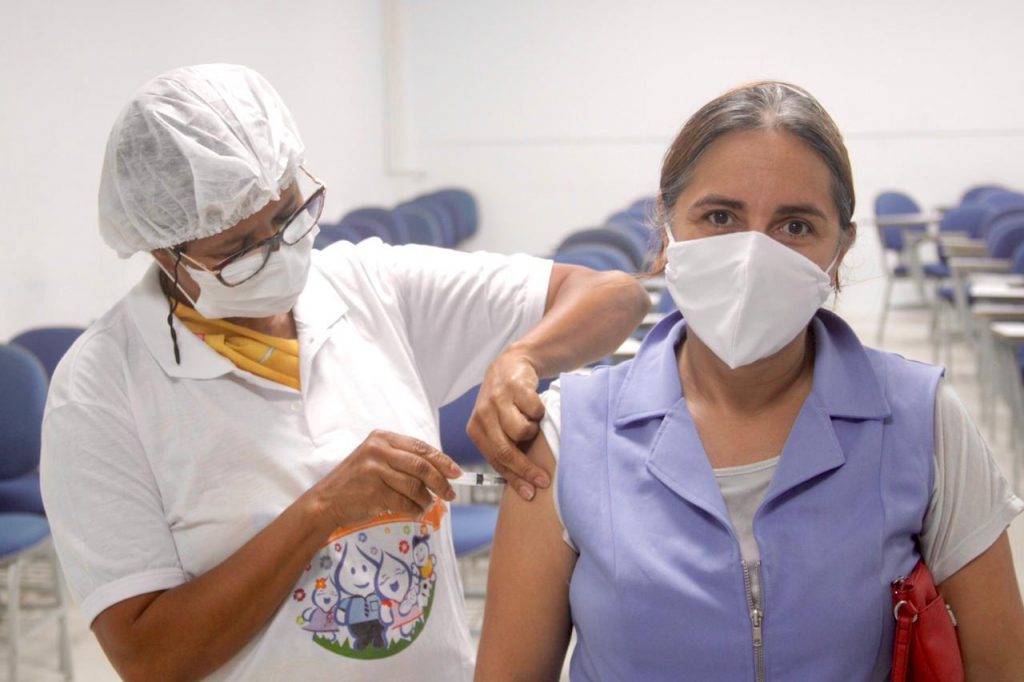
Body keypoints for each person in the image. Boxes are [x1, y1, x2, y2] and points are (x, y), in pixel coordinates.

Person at [38, 63, 649, 681]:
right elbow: (148, 659)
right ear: (160, 248)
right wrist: (323, 510)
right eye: (238, 251)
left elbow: (613, 295)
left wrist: (523, 357)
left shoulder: (369, 287)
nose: (277, 253)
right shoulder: (102, 390)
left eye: (288, 216)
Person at [475, 81, 1024, 681]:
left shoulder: (923, 418)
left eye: (794, 227)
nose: (751, 256)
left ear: (839, 250)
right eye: (719, 217)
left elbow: (1000, 663)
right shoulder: (569, 434)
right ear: (666, 229)